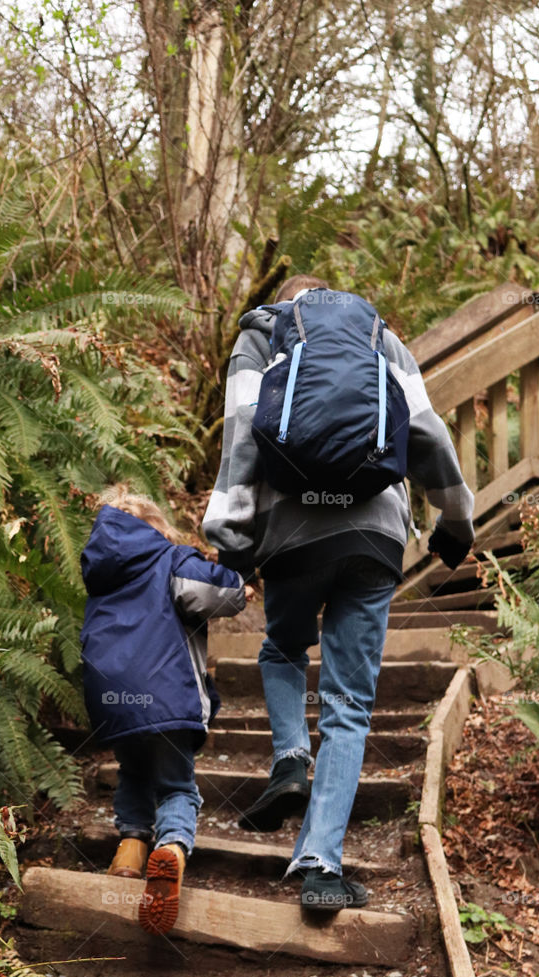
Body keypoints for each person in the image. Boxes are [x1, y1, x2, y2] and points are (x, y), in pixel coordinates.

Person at [203, 275, 475, 913]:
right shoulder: (377, 334)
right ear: (331, 299)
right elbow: (427, 429)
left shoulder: (262, 334)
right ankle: (321, 865)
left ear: (286, 301)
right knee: (349, 704)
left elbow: (241, 433)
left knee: (282, 648)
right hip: (375, 535)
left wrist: (231, 536)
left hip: (291, 533)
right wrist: (455, 517)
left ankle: (290, 758)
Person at [81, 484, 248, 935]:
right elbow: (214, 593)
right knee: (176, 785)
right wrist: (238, 584)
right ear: (153, 528)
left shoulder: (101, 575)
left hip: (114, 701)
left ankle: (129, 853)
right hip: (166, 694)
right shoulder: (169, 560)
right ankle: (171, 850)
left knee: (134, 771)